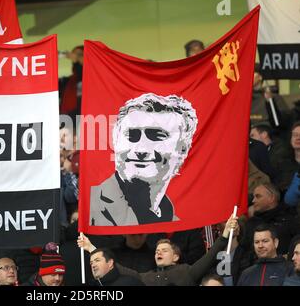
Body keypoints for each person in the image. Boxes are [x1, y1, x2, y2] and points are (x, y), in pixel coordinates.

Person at [90, 93, 198, 226]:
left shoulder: (174, 221)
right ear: (116, 142)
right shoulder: (91, 209)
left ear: (183, 149)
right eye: (132, 136)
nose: (141, 150)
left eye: (157, 136)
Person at [79, 214, 238, 286]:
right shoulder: (146, 277)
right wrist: (90, 248)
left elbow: (209, 257)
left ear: (176, 256)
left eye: (164, 250)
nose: (158, 253)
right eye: (157, 251)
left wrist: (224, 235)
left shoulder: (187, 272)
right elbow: (116, 266)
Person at [243, 182, 300, 255]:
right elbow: (244, 250)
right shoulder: (251, 223)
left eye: (258, 196)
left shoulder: (290, 220)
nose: (253, 200)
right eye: (254, 197)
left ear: (271, 198)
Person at [250, 124, 296, 191]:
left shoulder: (282, 150)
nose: (251, 139)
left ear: (264, 134)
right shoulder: (256, 151)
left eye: (252, 135)